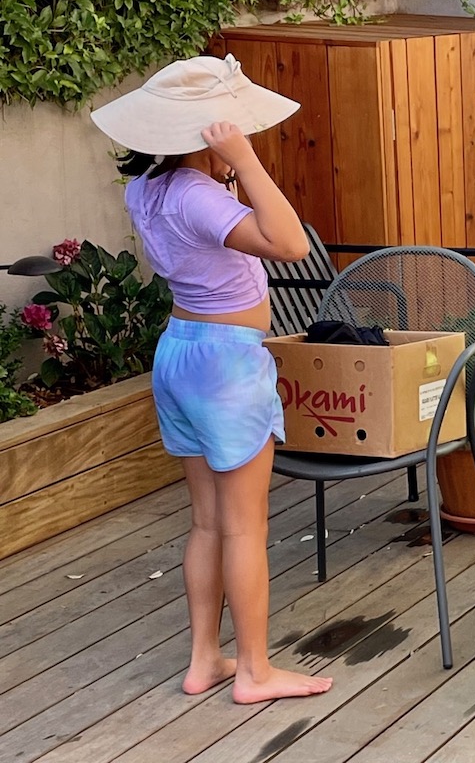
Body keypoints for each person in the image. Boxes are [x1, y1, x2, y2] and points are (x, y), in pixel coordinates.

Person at [91, 55, 333, 704]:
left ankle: (205, 658)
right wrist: (245, 162)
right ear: (204, 131)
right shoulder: (200, 195)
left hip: (181, 352)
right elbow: (290, 244)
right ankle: (254, 670)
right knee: (244, 526)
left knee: (205, 520)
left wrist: (221, 167)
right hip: (226, 363)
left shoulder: (146, 188)